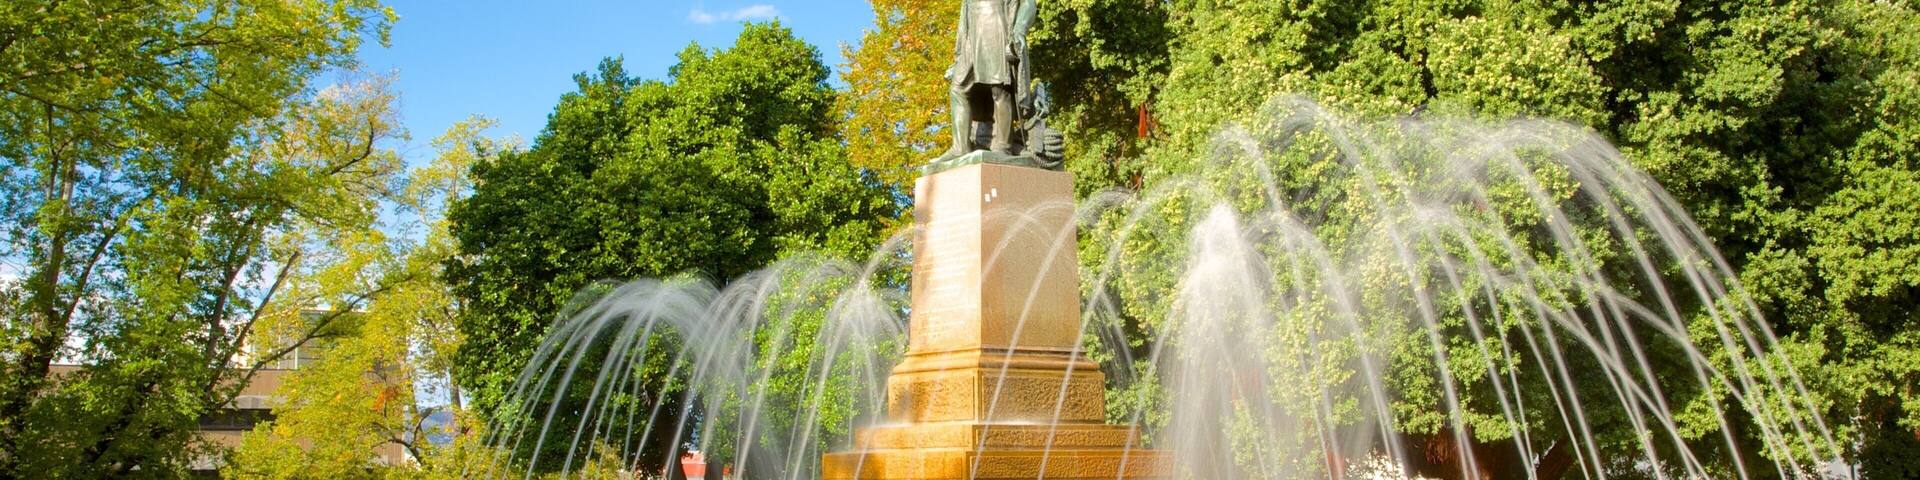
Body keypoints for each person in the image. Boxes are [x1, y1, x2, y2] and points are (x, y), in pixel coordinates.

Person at [943, 0, 1038, 157]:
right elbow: (964, 13)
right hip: (971, 35)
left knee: (999, 88)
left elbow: (1029, 3)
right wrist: (958, 54)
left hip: (997, 25)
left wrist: (1020, 29)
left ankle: (1003, 147)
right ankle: (960, 147)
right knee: (958, 89)